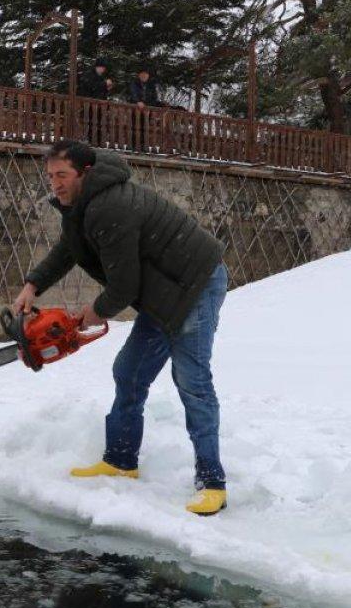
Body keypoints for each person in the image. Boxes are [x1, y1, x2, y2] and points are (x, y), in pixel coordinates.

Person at [11, 140, 229, 515]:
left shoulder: (111, 207)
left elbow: (123, 286)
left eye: (62, 175)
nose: (55, 184)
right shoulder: (82, 206)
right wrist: (33, 284)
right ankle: (121, 460)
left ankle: (212, 483)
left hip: (195, 284)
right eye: (50, 176)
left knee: (192, 380)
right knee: (128, 371)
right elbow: (69, 248)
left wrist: (94, 312)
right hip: (162, 291)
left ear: (85, 173)